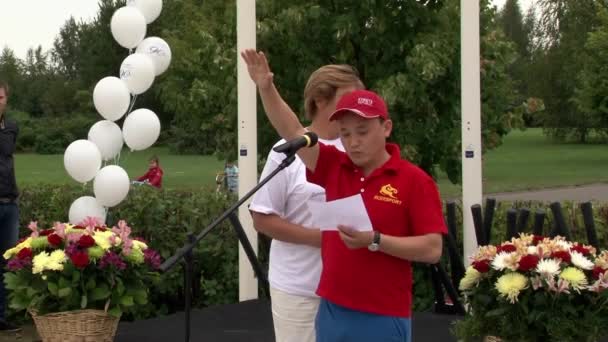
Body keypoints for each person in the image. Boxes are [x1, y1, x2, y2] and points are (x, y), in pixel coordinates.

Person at [242, 50, 447, 342]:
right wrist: (266, 87)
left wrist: (375, 240)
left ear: (386, 127)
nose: (352, 142)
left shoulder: (415, 180)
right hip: (332, 308)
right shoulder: (336, 166)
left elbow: (432, 249)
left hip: (383, 311)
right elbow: (292, 131)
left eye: (362, 131)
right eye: (346, 133)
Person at [248, 61, 364, 342]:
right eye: (345, 100)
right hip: (300, 287)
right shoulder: (288, 150)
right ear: (320, 101)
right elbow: (262, 218)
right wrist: (321, 239)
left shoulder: (362, 149)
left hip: (352, 286)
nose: (353, 108)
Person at [0, 79, 21, 332]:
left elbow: (6, 149)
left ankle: (1, 317)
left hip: (9, 205)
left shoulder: (12, 127)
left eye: (1, 98)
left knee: (6, 263)